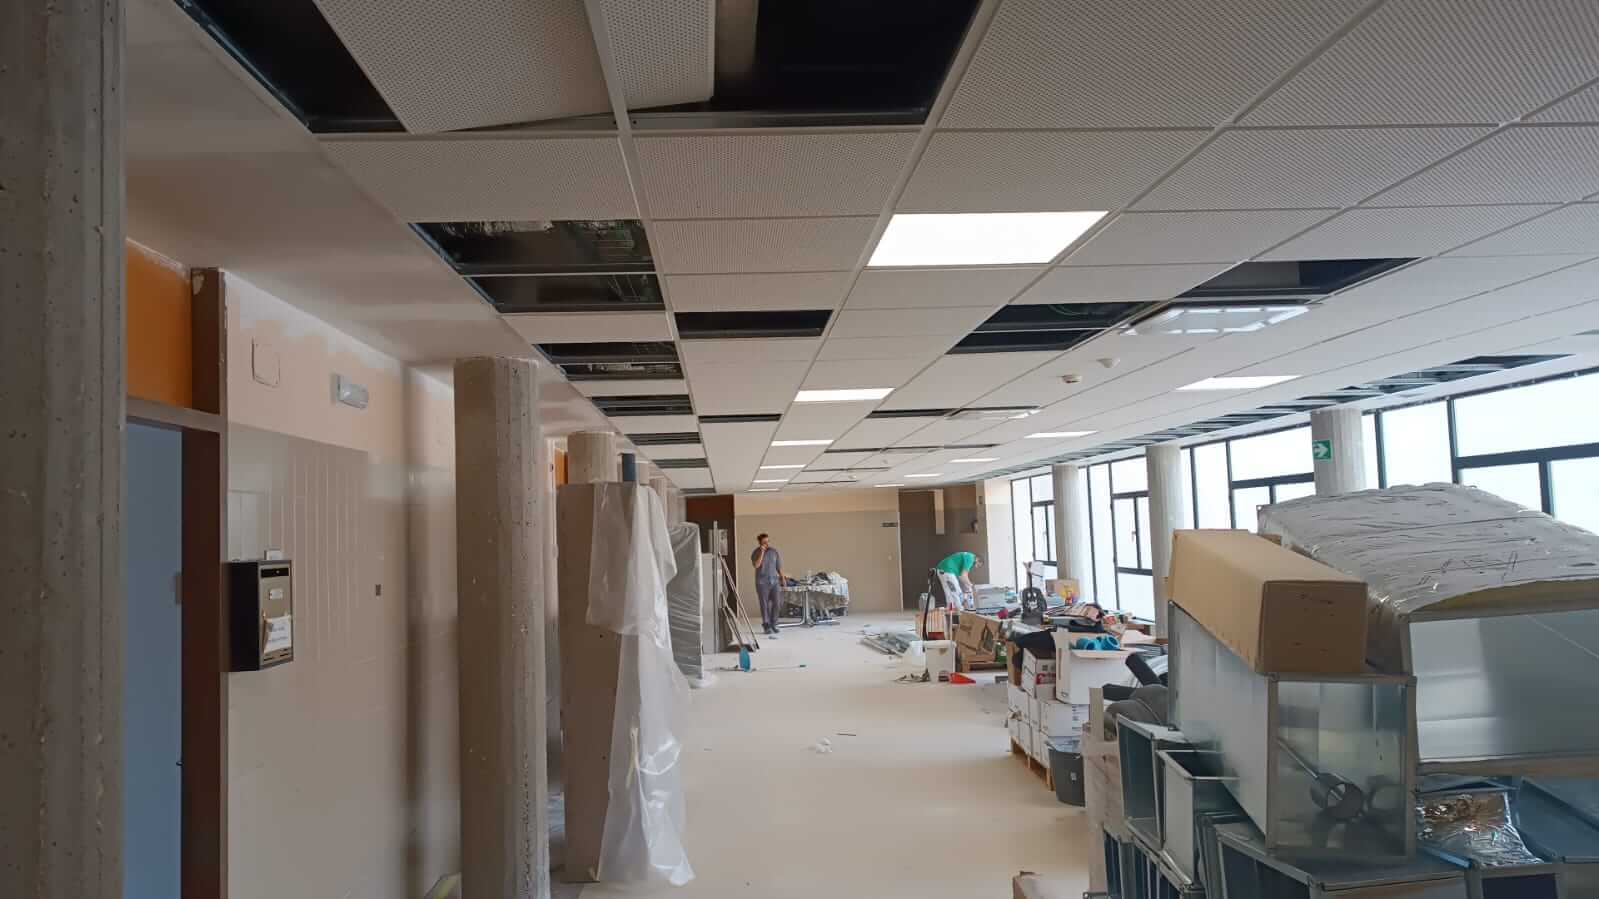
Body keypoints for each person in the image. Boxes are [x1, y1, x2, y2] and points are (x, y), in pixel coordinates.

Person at [751, 533, 787, 636]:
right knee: (764, 604)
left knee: (777, 602)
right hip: (762, 582)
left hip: (774, 581)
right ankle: (766, 625)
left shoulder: (774, 552)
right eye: (764, 542)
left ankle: (774, 623)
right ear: (760, 543)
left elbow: (778, 566)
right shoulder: (755, 552)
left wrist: (783, 578)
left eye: (768, 541)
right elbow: (756, 565)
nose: (767, 544)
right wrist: (762, 552)